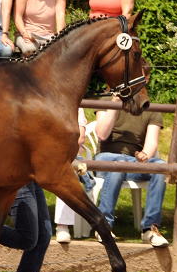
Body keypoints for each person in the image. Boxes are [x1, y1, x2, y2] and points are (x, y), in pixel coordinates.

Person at [94, 95, 169, 247]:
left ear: (146, 79)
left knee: (160, 166)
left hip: (133, 161)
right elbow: (102, 134)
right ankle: (104, 227)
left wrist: (144, 156)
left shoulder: (151, 108)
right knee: (119, 163)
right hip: (106, 159)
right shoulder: (106, 100)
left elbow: (152, 142)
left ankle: (150, 229)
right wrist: (114, 104)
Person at [54, 108, 95, 243]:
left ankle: (62, 226)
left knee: (68, 172)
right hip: (47, 156)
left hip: (68, 157)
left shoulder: (76, 108)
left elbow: (80, 138)